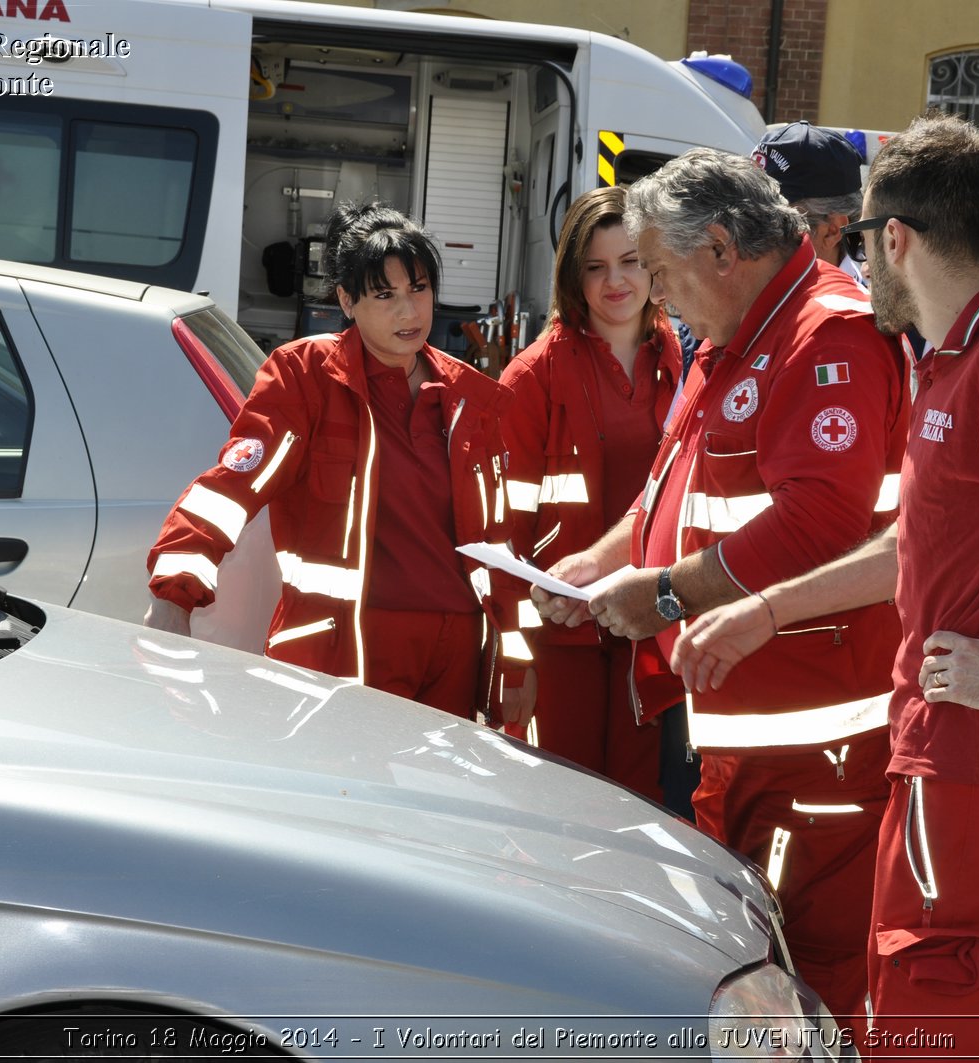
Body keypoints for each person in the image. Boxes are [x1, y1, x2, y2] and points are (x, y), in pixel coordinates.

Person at [672, 113, 979, 1058]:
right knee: (909, 1013)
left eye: (861, 241)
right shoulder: (955, 355)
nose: (860, 264)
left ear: (893, 237)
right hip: (946, 763)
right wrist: (766, 610)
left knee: (942, 1028)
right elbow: (915, 544)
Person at [532, 148, 908, 1033]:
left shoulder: (830, 336)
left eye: (661, 272)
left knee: (806, 987)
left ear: (724, 249)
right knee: (746, 979)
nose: (656, 296)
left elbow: (820, 520)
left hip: (817, 745)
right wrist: (593, 565)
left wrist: (661, 594)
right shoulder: (736, 339)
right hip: (745, 731)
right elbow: (675, 491)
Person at [145, 203, 530, 724]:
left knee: (435, 805)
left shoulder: (468, 397)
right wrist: (174, 591)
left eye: (418, 289)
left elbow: (499, 545)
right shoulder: (306, 377)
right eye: (384, 295)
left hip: (455, 654)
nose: (409, 312)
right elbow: (232, 486)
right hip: (340, 655)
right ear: (347, 301)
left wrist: (515, 663)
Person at [498, 186, 682, 805]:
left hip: (653, 624)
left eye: (630, 261)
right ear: (572, 276)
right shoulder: (532, 376)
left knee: (642, 806)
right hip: (566, 635)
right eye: (596, 267)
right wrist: (516, 659)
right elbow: (506, 534)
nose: (616, 283)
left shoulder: (679, 359)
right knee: (565, 803)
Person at [752, 120, 869, 285]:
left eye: (773, 220)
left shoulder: (858, 307)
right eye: (745, 213)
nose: (745, 232)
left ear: (832, 230)